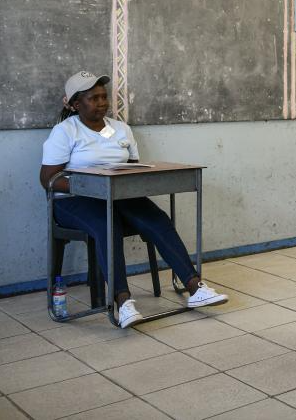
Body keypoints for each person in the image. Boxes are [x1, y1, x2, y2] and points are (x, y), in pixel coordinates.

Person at [40, 71, 227, 327]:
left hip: (117, 196)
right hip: (73, 201)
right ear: (75, 104)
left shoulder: (120, 129)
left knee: (157, 219)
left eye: (104, 97)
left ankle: (195, 287)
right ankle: (123, 302)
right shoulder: (65, 132)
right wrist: (91, 185)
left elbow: (132, 168)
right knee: (107, 224)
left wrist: (124, 183)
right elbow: (48, 179)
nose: (102, 103)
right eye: (93, 98)